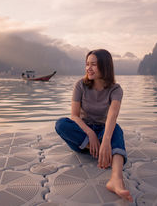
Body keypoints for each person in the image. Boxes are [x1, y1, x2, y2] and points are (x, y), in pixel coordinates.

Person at [55, 49, 132, 202]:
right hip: (84, 136)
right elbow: (74, 116)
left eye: (93, 65)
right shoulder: (80, 86)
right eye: (87, 64)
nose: (88, 68)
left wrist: (105, 141)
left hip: (103, 131)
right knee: (61, 124)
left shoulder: (116, 90)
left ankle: (116, 179)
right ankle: (103, 152)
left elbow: (112, 116)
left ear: (105, 66)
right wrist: (90, 133)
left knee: (116, 128)